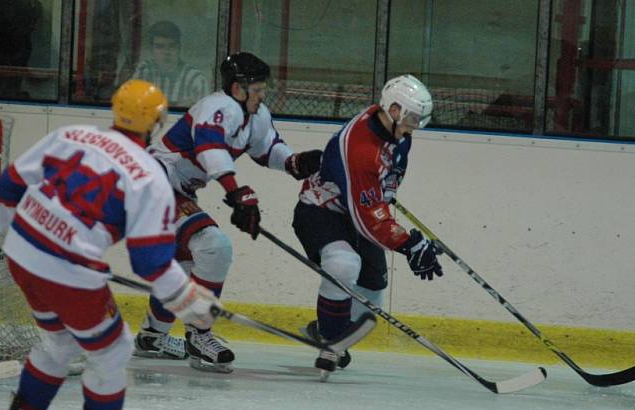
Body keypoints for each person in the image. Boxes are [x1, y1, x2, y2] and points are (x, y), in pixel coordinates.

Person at [0, 79, 220, 410]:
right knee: (114, 349)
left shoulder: (72, 134)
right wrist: (190, 303)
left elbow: (8, 185)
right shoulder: (149, 176)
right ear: (157, 122)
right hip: (68, 274)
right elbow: (149, 261)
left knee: (60, 342)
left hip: (21, 254)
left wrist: (17, 239)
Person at [133, 52, 322, 373]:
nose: (263, 95)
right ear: (237, 88)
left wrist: (295, 162)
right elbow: (210, 148)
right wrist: (236, 192)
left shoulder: (256, 114)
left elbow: (268, 148)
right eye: (258, 89)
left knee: (188, 262)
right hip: (153, 182)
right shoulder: (217, 107)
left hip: (176, 190)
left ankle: (153, 335)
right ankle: (199, 334)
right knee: (213, 246)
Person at [292, 74, 443, 379]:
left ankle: (322, 329)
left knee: (370, 300)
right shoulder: (361, 148)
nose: (415, 125)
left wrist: (382, 196)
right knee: (344, 264)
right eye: (412, 117)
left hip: (357, 212)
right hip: (321, 211)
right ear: (395, 109)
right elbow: (365, 217)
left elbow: (381, 186)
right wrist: (408, 244)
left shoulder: (398, 132)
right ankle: (331, 340)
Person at [128, 20, 211, 107]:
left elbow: (206, 114)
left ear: (179, 48)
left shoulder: (196, 79)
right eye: (160, 47)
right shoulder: (144, 70)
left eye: (172, 46)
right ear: (151, 50)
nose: (166, 52)